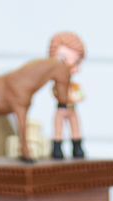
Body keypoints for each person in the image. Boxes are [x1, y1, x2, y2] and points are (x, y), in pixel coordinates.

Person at [48, 30, 86, 158]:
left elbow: (80, 95)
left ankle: (77, 147)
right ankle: (57, 149)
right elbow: (56, 93)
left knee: (75, 127)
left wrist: (75, 96)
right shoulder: (58, 84)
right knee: (58, 129)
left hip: (71, 109)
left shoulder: (74, 85)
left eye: (77, 61)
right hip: (61, 108)